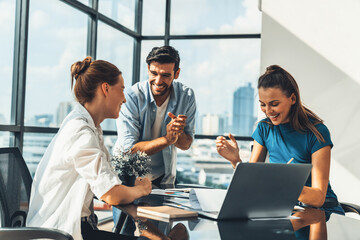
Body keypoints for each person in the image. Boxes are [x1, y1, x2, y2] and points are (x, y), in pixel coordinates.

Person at [26, 57, 152, 240]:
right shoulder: (80, 131)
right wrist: (142, 189)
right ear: (106, 88)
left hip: (76, 228)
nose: (124, 99)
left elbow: (107, 185)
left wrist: (130, 201)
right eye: (122, 90)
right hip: (60, 232)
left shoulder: (91, 127)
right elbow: (111, 194)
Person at [216, 65, 344, 214]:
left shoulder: (317, 132)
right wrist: (236, 161)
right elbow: (251, 184)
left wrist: (282, 186)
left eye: (274, 104)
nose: (268, 111)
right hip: (286, 208)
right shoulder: (264, 129)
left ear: (293, 98)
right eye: (263, 105)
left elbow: (318, 197)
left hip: (322, 211)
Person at [114, 45, 196, 187]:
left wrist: (177, 133)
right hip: (128, 177)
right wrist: (167, 139)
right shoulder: (132, 96)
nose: (158, 81)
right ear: (148, 69)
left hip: (161, 179)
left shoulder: (186, 96)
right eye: (154, 73)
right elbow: (129, 150)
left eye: (165, 75)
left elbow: (186, 144)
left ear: (176, 74)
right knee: (127, 210)